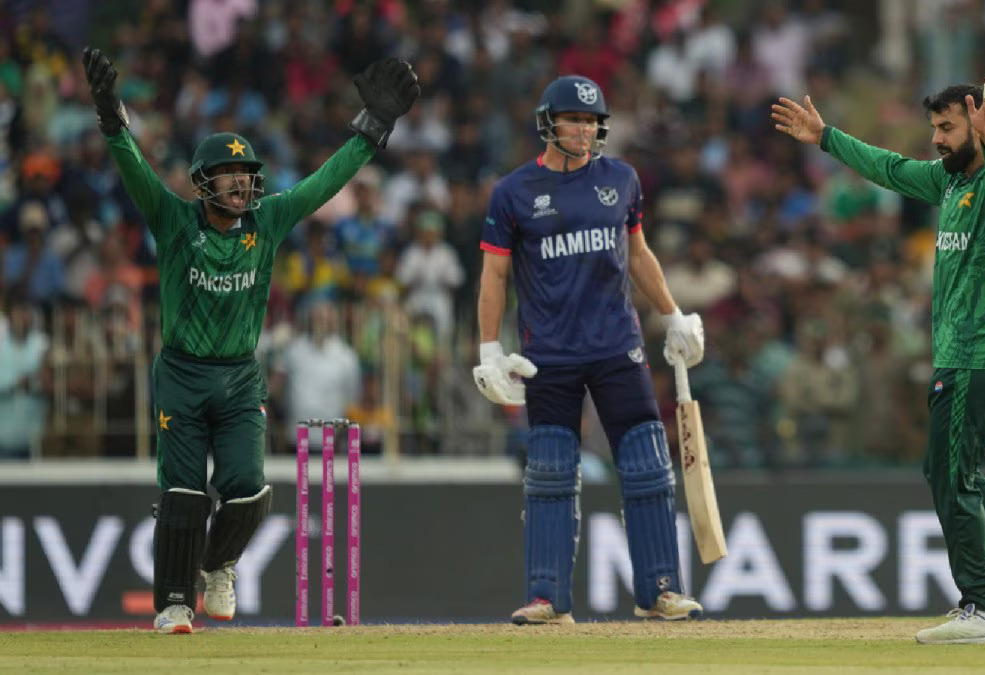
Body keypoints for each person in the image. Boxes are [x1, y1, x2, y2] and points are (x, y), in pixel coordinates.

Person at [81, 46, 419, 634]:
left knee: (249, 492)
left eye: (248, 173)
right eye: (229, 174)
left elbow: (324, 182)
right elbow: (135, 168)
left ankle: (218, 567)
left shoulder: (268, 221)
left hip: (240, 378)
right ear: (203, 182)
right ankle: (172, 605)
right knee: (184, 494)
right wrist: (114, 122)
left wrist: (372, 129)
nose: (242, 182)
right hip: (182, 376)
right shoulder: (173, 220)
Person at [772, 81, 985, 644]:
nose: (936, 139)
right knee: (948, 471)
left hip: (979, 353)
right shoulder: (949, 180)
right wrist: (826, 138)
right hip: (968, 355)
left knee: (952, 476)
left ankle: (983, 607)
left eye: (947, 128)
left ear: (978, 126)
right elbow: (888, 168)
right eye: (934, 128)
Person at [474, 75, 705, 624]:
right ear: (548, 123)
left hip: (616, 345)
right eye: (573, 120)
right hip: (547, 351)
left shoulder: (622, 180)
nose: (583, 130)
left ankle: (660, 592)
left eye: (592, 121)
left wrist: (671, 314)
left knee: (647, 467)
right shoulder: (513, 192)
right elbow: (494, 275)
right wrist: (488, 349)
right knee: (551, 474)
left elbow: (640, 253)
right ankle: (548, 598)